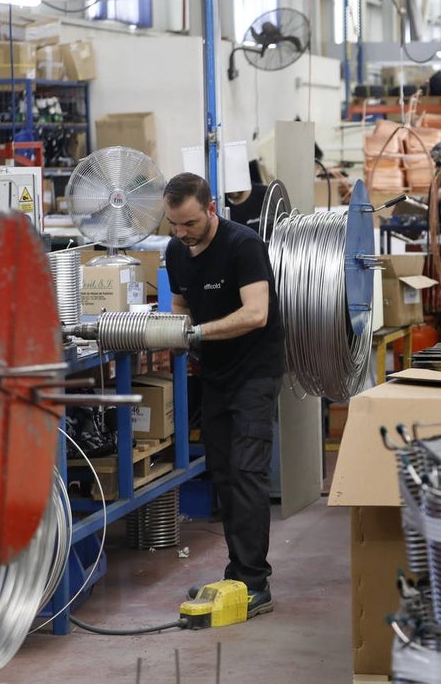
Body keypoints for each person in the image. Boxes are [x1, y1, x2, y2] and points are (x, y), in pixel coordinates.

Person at [162, 172, 283, 618]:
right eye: (174, 224)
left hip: (254, 372)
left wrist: (196, 334)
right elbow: (180, 305)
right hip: (214, 373)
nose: (182, 233)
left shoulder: (243, 245)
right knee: (225, 472)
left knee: (248, 471)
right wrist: (172, 332)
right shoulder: (176, 250)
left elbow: (256, 313)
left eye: (190, 223)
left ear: (211, 210)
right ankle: (238, 574)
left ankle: (255, 584)